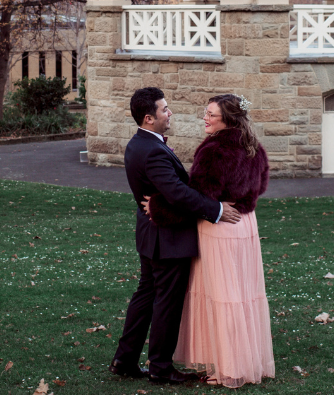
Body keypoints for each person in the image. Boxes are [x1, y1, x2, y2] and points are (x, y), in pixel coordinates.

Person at [110, 87, 242, 385]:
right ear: (149, 118)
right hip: (167, 239)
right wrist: (217, 209)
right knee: (166, 303)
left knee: (145, 297)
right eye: (164, 109)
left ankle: (125, 359)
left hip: (150, 235)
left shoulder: (137, 144)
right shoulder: (152, 150)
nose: (170, 113)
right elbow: (177, 194)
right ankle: (160, 367)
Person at [146, 93, 275, 388]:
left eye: (211, 114)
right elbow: (262, 184)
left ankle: (229, 369)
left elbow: (198, 197)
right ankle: (243, 362)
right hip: (245, 226)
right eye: (205, 112)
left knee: (223, 297)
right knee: (242, 295)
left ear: (227, 119)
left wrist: (156, 208)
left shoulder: (215, 150)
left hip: (219, 229)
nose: (205, 118)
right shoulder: (253, 146)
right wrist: (239, 202)